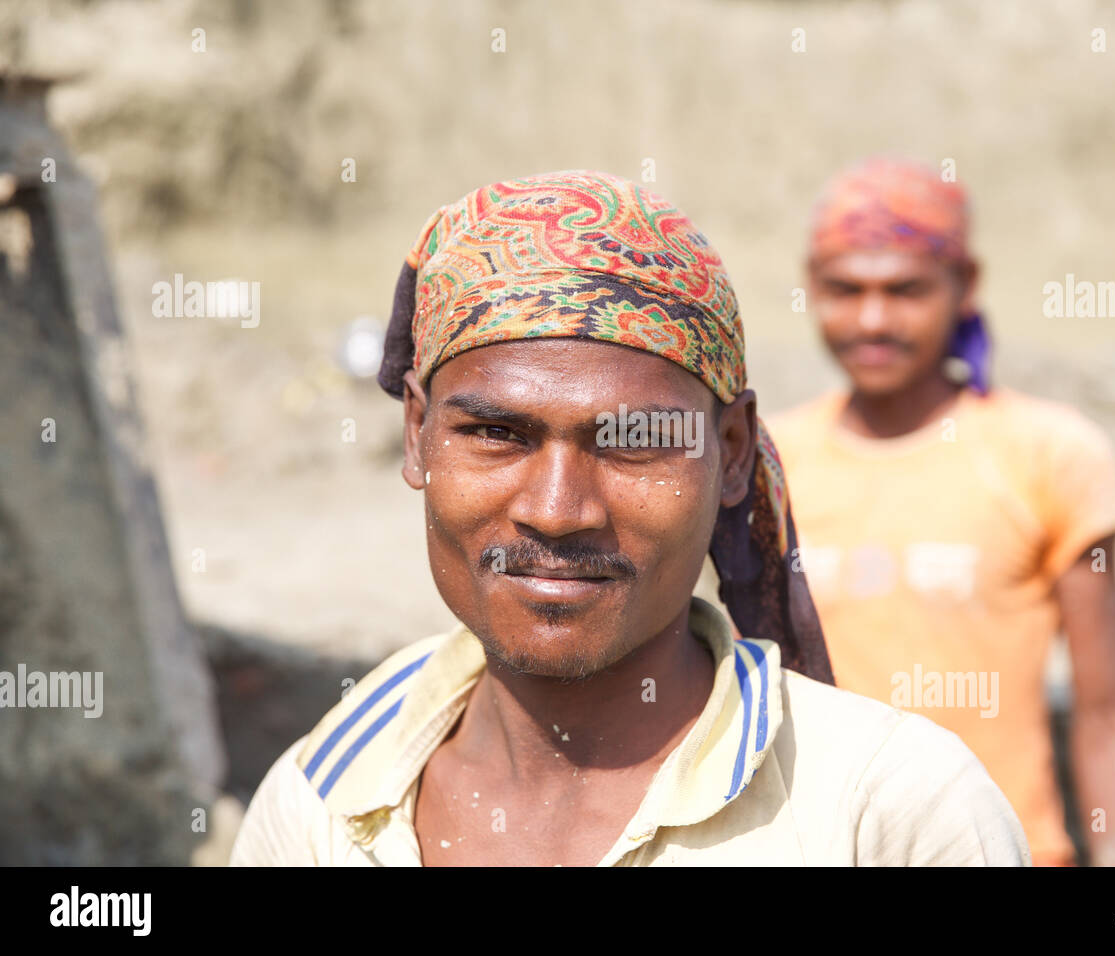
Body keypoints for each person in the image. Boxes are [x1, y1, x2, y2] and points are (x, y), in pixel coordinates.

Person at [229, 170, 1029, 866]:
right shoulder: (320, 813)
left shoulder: (888, 813)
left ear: (734, 452)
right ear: (417, 435)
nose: (555, 510)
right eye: (497, 435)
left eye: (635, 441)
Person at [768, 158, 1115, 866]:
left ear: (966, 287)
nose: (872, 319)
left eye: (906, 290)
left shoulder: (1048, 453)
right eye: (844, 289)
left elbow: (1105, 712)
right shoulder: (767, 463)